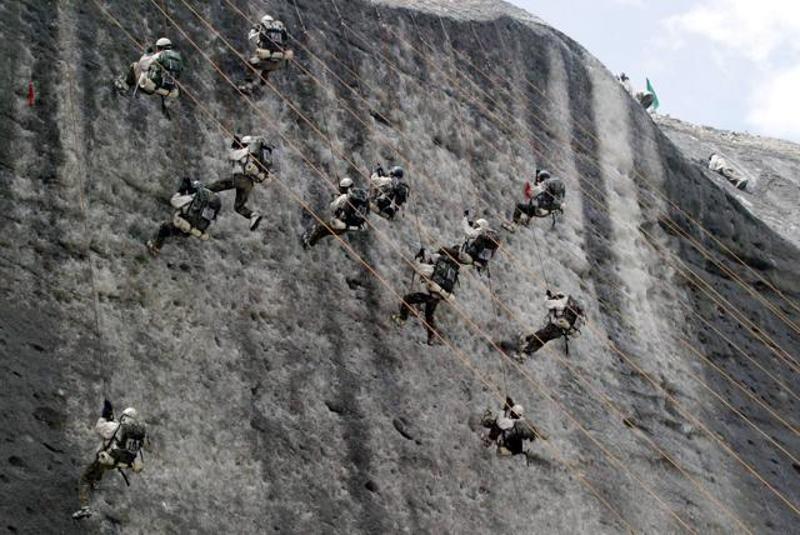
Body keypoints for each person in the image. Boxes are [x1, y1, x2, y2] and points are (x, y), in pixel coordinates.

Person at [73, 400, 146, 520]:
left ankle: (84, 508)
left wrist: (104, 416)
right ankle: (95, 481)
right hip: (117, 463)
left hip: (105, 458)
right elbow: (138, 461)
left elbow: (99, 428)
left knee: (84, 478)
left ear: (124, 417)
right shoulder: (135, 437)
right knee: (102, 468)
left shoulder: (115, 427)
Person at [392, 247, 460, 345]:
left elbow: (419, 268)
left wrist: (419, 258)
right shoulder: (452, 271)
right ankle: (431, 336)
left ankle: (401, 319)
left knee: (407, 299)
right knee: (429, 315)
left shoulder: (438, 265)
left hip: (428, 293)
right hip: (438, 296)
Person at [208, 135, 273, 231]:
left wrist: (234, 147)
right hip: (249, 185)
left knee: (220, 184)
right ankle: (253, 215)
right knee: (238, 206)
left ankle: (205, 189)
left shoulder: (245, 151)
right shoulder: (256, 157)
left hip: (241, 179)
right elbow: (267, 179)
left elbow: (231, 156)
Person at [147, 177, 222, 256]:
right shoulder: (208, 205)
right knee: (175, 230)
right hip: (196, 230)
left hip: (182, 223)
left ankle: (155, 249)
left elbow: (174, 201)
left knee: (164, 228)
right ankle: (167, 243)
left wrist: (181, 191)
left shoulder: (191, 198)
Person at [302, 178, 370, 248]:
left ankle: (308, 244)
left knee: (321, 229)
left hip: (339, 223)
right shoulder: (362, 197)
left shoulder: (344, 197)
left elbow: (332, 207)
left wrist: (335, 198)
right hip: (346, 227)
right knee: (325, 231)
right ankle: (311, 240)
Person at [519, 289, 585, 357]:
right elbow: (576, 334)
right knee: (542, 337)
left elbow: (546, 303)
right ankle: (525, 340)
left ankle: (525, 352)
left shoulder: (561, 302)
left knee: (540, 338)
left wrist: (547, 296)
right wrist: (567, 326)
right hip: (559, 333)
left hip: (553, 326)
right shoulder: (579, 314)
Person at [239, 15, 293, 93]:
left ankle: (248, 86)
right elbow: (285, 41)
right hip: (278, 62)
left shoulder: (264, 30)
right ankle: (262, 86)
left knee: (250, 63)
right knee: (266, 70)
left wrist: (255, 30)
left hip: (267, 59)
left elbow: (253, 38)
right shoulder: (281, 30)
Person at [114, 37, 184, 99]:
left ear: (161, 47)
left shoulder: (161, 55)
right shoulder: (179, 58)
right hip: (166, 90)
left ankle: (125, 86)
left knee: (135, 66)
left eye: (158, 48)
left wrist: (146, 54)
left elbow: (142, 64)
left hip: (151, 86)